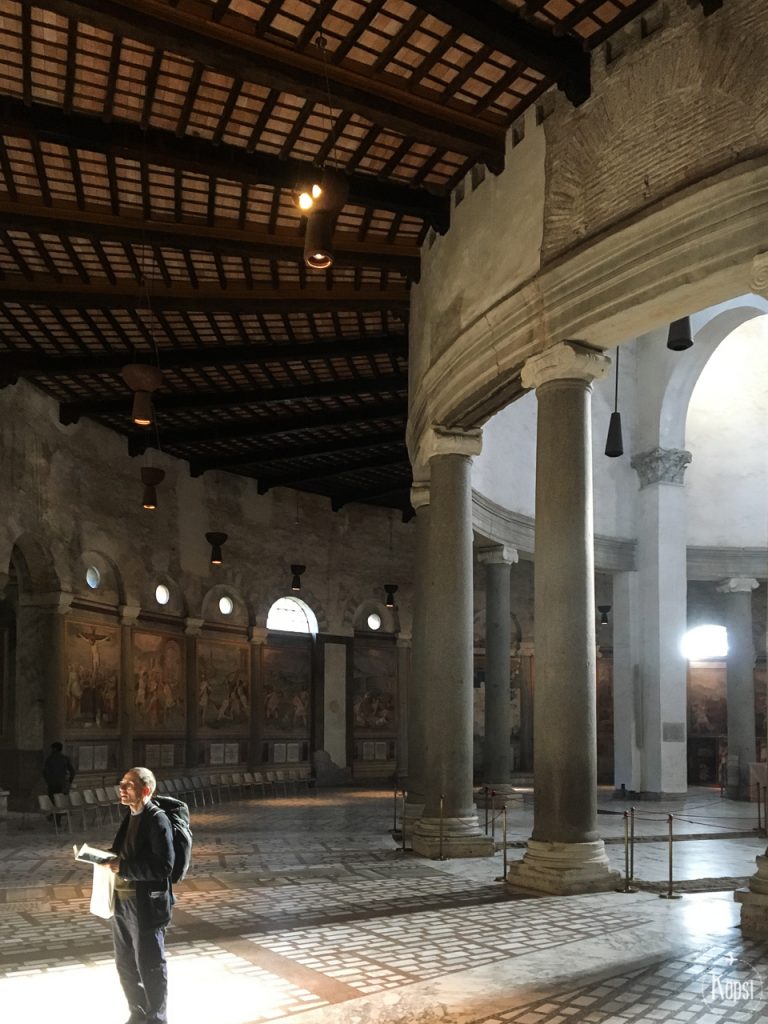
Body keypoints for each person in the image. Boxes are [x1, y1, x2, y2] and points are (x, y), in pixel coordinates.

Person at [109, 766, 174, 1024]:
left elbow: (164, 866)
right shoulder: (130, 816)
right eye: (122, 783)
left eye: (129, 784)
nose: (122, 788)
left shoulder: (157, 820)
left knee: (150, 965)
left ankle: (156, 1018)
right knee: (125, 963)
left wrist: (124, 867)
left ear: (145, 790)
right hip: (121, 901)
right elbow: (122, 851)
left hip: (145, 904)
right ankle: (137, 1012)